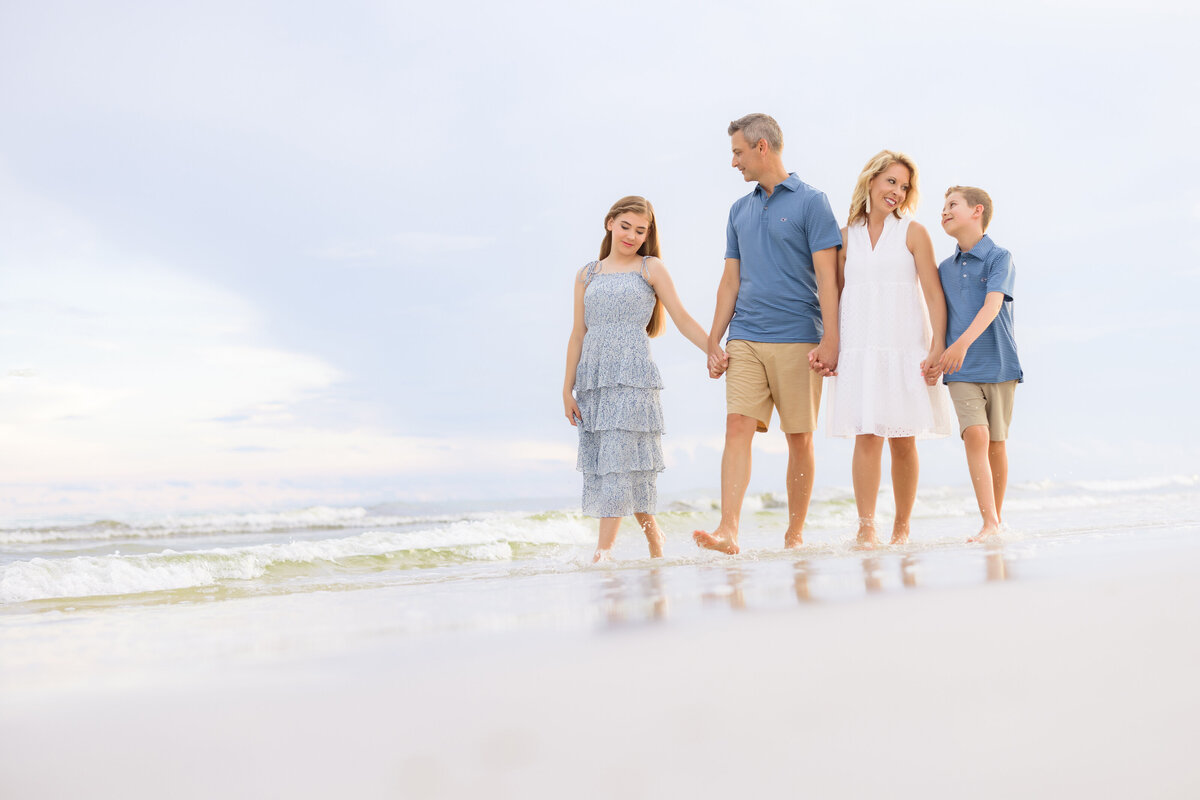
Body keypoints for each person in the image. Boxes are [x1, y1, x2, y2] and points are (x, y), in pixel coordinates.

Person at [693, 113, 843, 555]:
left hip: (800, 337)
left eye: (738, 152)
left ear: (762, 147)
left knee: (799, 436)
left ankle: (794, 534)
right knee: (736, 426)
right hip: (746, 336)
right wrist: (713, 340)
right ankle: (728, 530)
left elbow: (828, 278)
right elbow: (729, 282)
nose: (734, 162)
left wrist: (830, 339)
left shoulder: (813, 202)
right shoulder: (738, 210)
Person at [563, 196, 710, 562]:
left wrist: (714, 349)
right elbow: (578, 333)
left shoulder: (651, 267)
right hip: (595, 381)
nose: (631, 235)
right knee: (620, 465)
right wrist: (566, 389)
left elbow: (681, 317)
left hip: (633, 378)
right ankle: (653, 534)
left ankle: (603, 551)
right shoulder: (587, 274)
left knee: (618, 460)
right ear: (610, 222)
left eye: (640, 230)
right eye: (626, 226)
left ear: (648, 235)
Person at [823, 150, 955, 549]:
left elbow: (933, 294)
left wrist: (938, 346)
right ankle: (866, 527)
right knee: (866, 435)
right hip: (860, 348)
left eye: (904, 185)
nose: (897, 191)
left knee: (903, 439)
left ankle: (901, 527)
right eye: (891, 182)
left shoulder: (913, 233)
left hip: (905, 346)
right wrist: (828, 343)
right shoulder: (846, 237)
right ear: (871, 180)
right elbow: (835, 293)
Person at [936, 186, 1023, 542]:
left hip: (1000, 363)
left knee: (997, 443)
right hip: (961, 368)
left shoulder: (999, 257)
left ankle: (996, 521)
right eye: (942, 206)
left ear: (977, 211)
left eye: (952, 205)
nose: (944, 211)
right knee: (976, 434)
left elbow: (992, 306)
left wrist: (960, 344)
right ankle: (988, 522)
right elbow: (938, 316)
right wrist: (938, 353)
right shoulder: (943, 268)